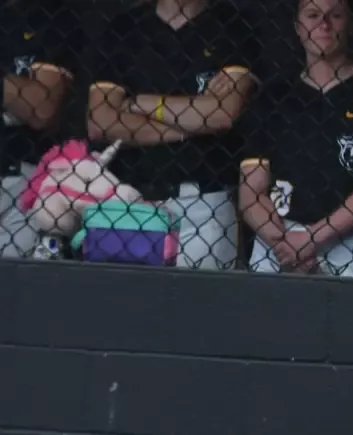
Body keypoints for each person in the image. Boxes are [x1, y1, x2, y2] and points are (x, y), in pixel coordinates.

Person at [238, 0, 353, 278]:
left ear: (350, 24)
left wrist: (309, 241)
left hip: (350, 240)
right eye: (313, 14)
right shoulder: (273, 99)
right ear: (297, 26)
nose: (324, 24)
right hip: (277, 236)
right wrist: (286, 244)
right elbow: (250, 193)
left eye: (336, 15)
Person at [85, 0, 261, 270]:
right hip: (130, 199)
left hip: (205, 202)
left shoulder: (232, 24)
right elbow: (100, 122)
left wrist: (140, 103)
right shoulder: (125, 28)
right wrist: (191, 123)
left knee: (202, 307)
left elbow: (223, 114)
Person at [0, 0, 80, 258]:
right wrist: (14, 93)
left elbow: (41, 109)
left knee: (9, 284)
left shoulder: (50, 15)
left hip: (18, 177)